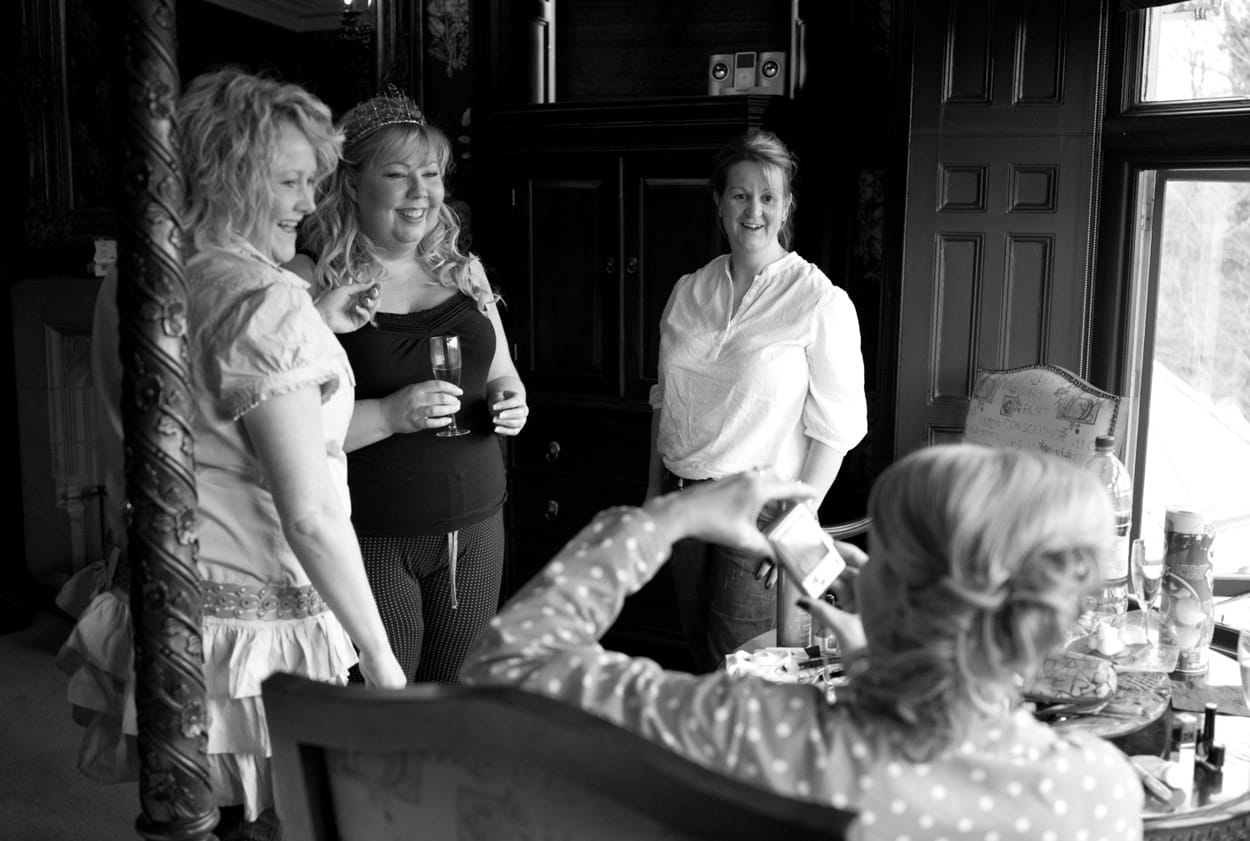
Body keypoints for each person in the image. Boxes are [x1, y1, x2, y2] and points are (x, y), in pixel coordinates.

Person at [57, 68, 407, 839]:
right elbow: (310, 513)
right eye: (289, 180)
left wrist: (312, 322)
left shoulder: (136, 276)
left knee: (197, 817)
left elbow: (202, 415)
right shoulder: (265, 300)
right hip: (253, 629)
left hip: (168, 606)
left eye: (311, 178)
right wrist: (381, 659)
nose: (309, 201)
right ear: (225, 178)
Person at [462, 443, 1142, 840]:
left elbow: (507, 664)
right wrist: (885, 651)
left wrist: (670, 515)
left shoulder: (752, 728)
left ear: (897, 595)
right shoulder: (1096, 793)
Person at [289, 87, 528, 684]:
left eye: (431, 174)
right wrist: (390, 413)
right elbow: (285, 434)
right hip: (371, 533)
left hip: (477, 522)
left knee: (456, 705)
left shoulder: (463, 268)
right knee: (384, 714)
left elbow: (502, 371)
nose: (421, 192)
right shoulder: (310, 283)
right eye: (398, 175)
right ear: (352, 184)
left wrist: (512, 400)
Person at [645, 128, 868, 672]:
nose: (754, 210)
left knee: (746, 673)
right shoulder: (688, 290)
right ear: (719, 201)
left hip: (762, 512)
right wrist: (653, 495)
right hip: (683, 501)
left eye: (768, 196)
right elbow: (665, 401)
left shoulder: (817, 300)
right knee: (701, 662)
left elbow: (838, 429)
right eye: (740, 194)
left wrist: (798, 520)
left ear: (786, 206)